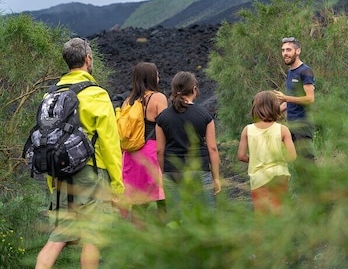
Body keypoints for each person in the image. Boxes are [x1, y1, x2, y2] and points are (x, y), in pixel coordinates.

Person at [35, 37, 124, 269]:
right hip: (92, 174)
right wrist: (117, 185)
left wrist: (52, 180)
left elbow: (47, 139)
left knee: (58, 237)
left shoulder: (51, 95)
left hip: (60, 175)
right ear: (87, 59)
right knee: (92, 237)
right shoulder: (96, 93)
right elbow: (110, 143)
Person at [155, 71, 221, 224]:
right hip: (199, 170)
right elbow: (212, 149)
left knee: (175, 219)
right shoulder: (204, 115)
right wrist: (216, 178)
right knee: (205, 217)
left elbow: (160, 150)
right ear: (194, 89)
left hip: (172, 172)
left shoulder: (163, 117)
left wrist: (161, 174)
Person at [120, 62, 168, 227]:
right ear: (152, 77)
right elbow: (165, 127)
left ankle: (140, 239)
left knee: (139, 202)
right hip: (151, 152)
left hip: (130, 155)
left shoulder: (128, 101)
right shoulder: (158, 98)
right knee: (162, 197)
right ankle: (165, 236)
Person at [237, 91, 296, 215]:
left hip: (258, 177)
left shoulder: (247, 130)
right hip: (279, 175)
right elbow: (292, 155)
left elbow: (241, 156)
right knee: (278, 210)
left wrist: (254, 159)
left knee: (261, 214)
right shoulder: (282, 129)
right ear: (275, 107)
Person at [274, 37, 316, 189]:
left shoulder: (305, 71)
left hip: (303, 125)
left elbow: (310, 99)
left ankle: (323, 200)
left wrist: (285, 98)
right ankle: (308, 198)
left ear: (298, 51)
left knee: (307, 164)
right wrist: (273, 111)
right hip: (291, 126)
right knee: (298, 165)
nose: (285, 53)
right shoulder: (291, 72)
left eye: (289, 50)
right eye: (283, 50)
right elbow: (291, 101)